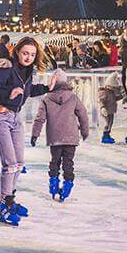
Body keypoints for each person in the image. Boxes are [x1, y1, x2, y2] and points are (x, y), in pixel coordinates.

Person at [0, 37, 56, 226]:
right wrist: (7, 94)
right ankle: (4, 206)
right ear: (17, 51)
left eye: (32, 55)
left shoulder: (27, 71)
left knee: (18, 164)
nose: (28, 57)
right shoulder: (7, 68)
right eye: (25, 53)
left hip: (16, 119)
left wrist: (47, 88)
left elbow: (27, 90)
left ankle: (10, 199)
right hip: (0, 117)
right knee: (9, 164)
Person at [31, 69, 89, 202]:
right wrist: (84, 132)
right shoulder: (73, 97)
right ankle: (67, 187)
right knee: (68, 162)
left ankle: (53, 185)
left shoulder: (47, 99)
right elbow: (83, 115)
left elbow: (40, 118)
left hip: (54, 137)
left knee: (55, 161)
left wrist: (35, 135)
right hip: (71, 137)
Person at [97, 71, 126, 144]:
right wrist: (102, 108)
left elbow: (114, 99)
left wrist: (122, 96)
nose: (114, 88)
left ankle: (108, 134)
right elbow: (101, 101)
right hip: (106, 112)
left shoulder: (111, 93)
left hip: (111, 111)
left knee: (110, 123)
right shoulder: (104, 92)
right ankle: (105, 136)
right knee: (107, 124)